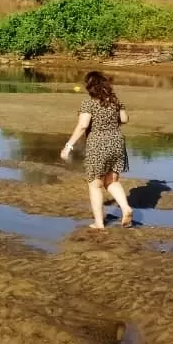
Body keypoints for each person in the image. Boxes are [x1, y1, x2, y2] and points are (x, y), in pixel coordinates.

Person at [61, 71, 133, 229]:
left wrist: (68, 146)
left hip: (98, 144)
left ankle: (99, 223)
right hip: (117, 142)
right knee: (112, 181)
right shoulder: (114, 101)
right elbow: (125, 119)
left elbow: (83, 126)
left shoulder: (89, 103)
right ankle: (126, 208)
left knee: (95, 185)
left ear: (90, 86)